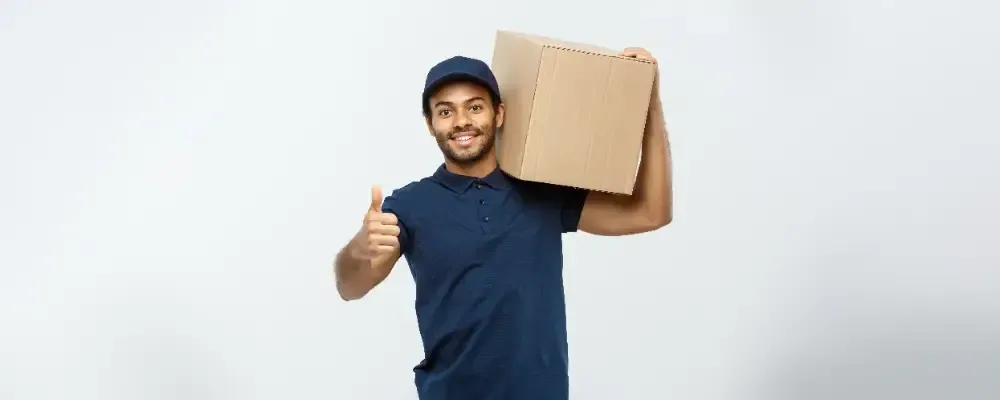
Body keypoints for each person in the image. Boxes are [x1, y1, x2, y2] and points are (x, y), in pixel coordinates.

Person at [334, 47, 673, 400]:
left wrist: (650, 103)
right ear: (430, 124)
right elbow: (350, 287)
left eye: (474, 107)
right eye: (445, 111)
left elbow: (651, 212)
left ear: (498, 114)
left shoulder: (542, 190)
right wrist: (360, 247)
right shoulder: (409, 205)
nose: (461, 121)